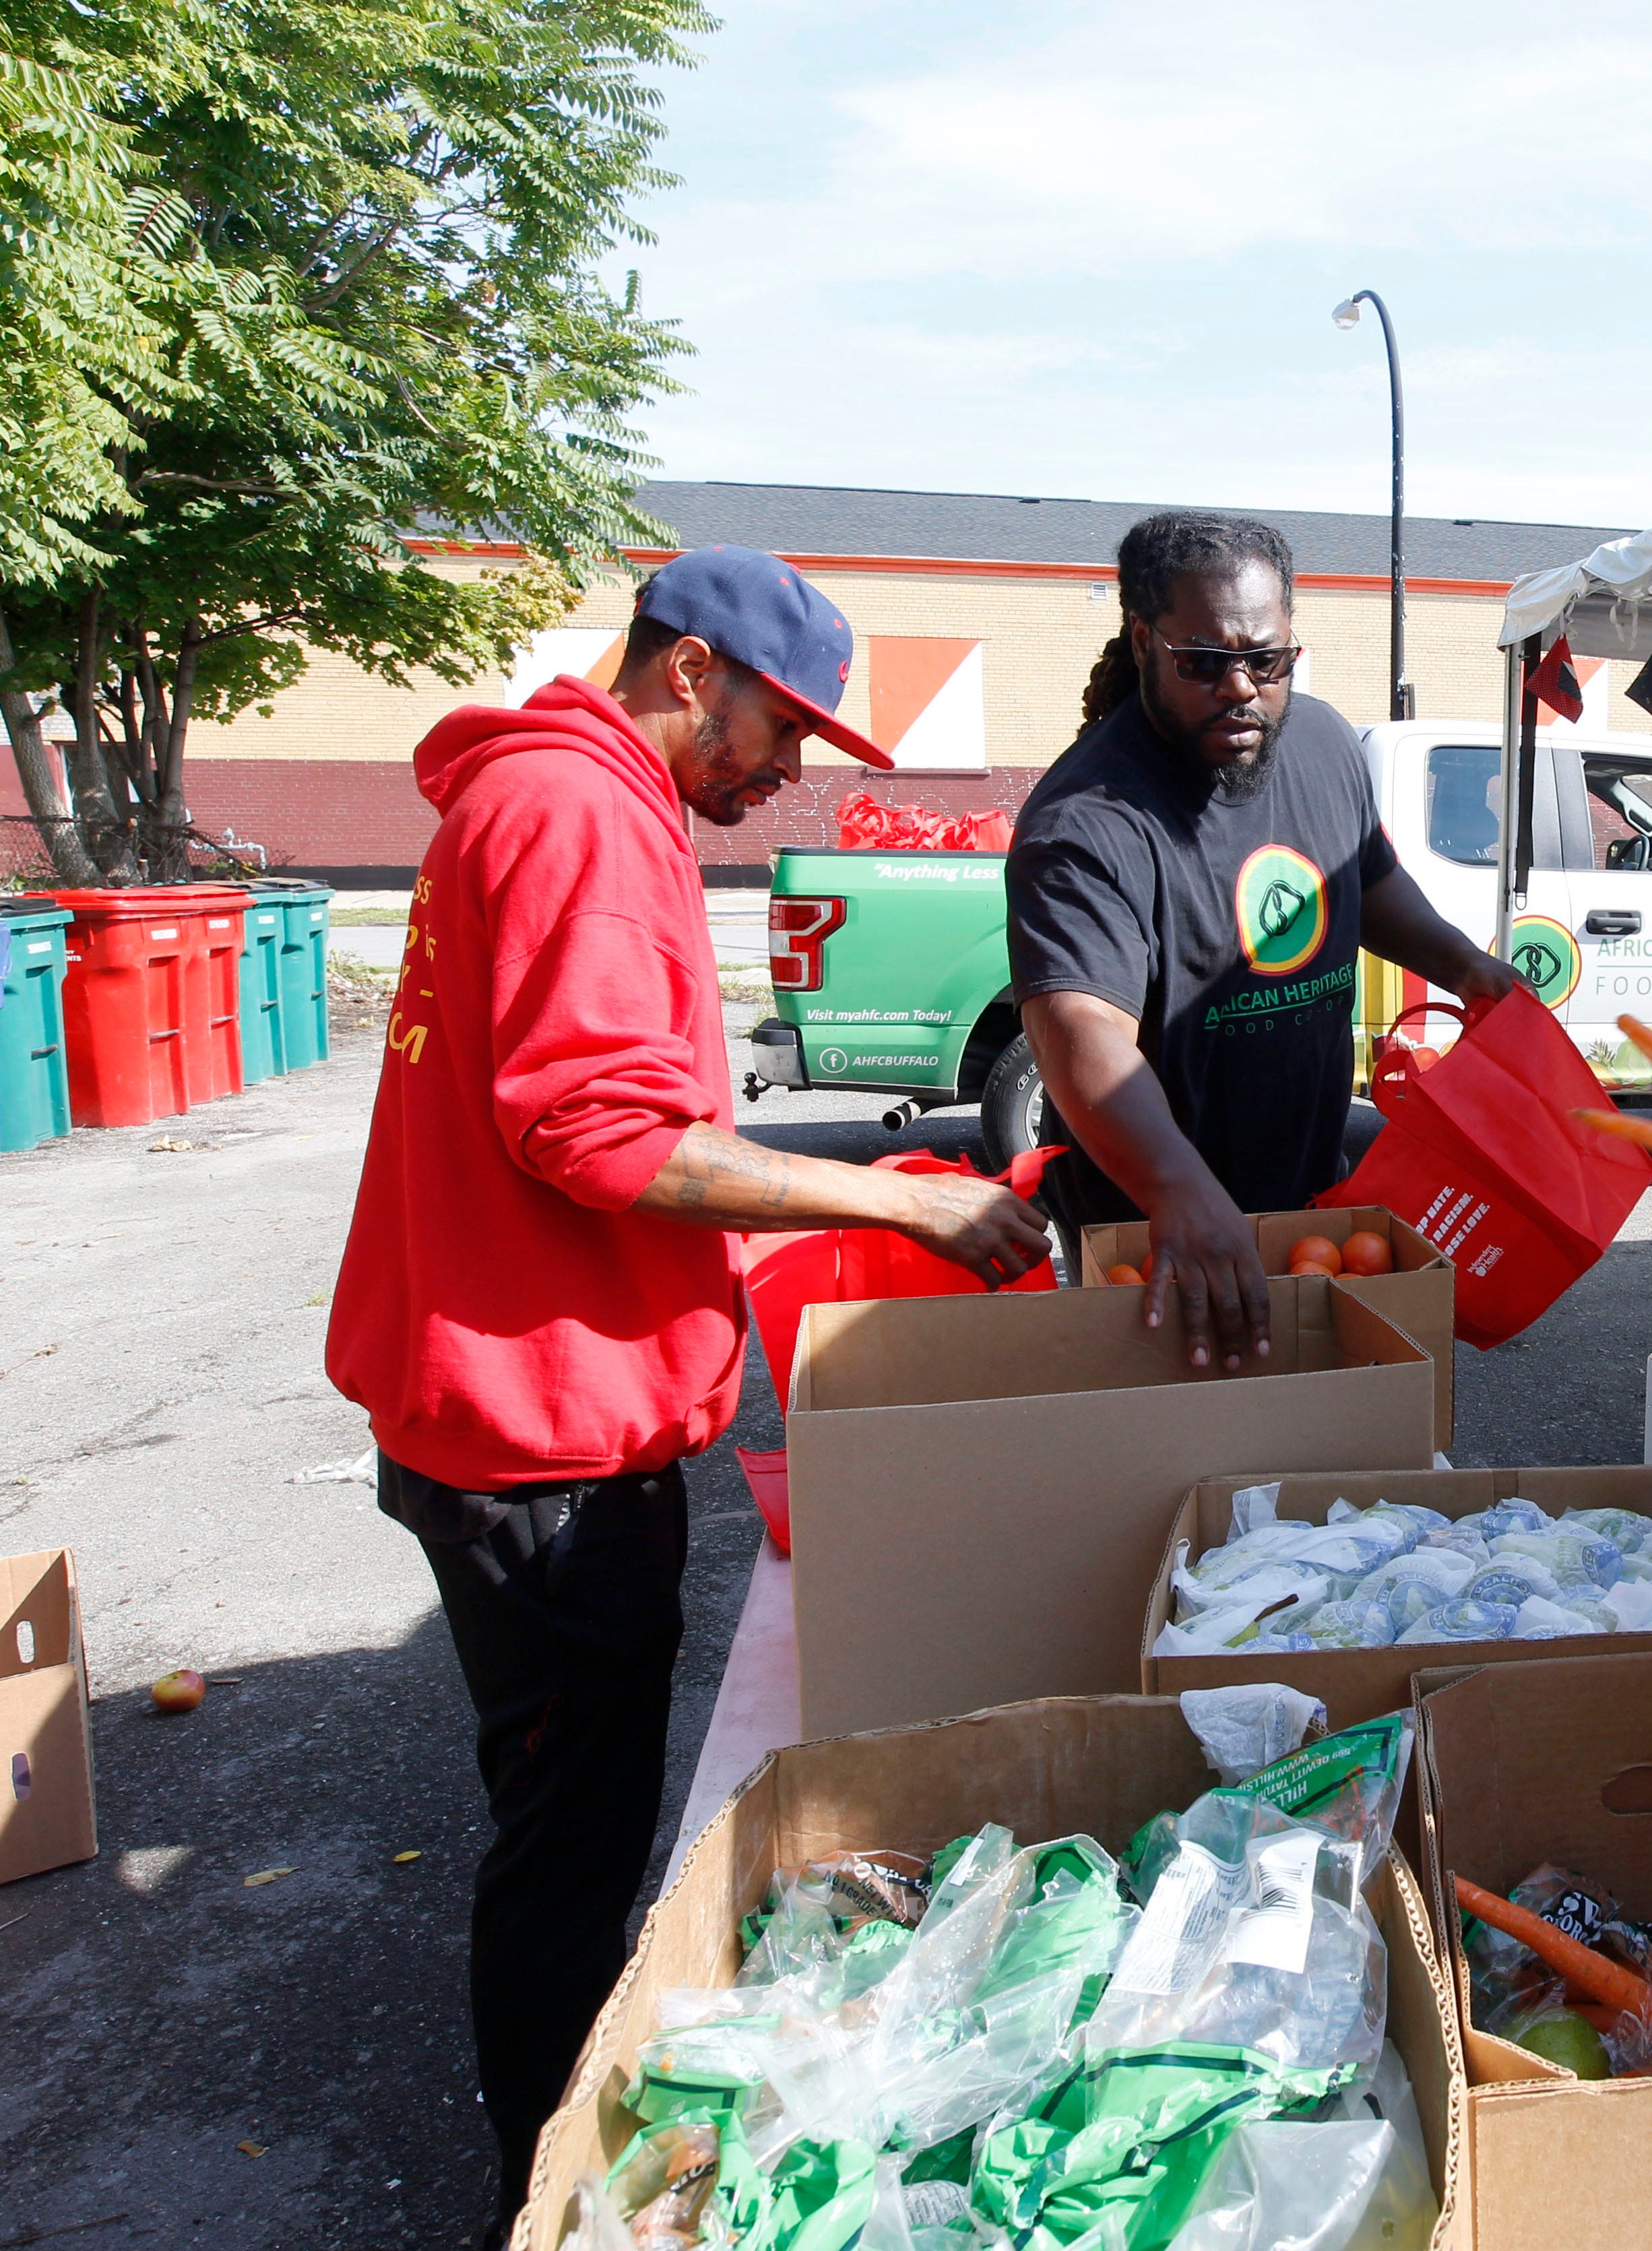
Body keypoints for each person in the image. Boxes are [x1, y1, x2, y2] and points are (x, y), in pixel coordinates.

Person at [325, 545, 1051, 2240]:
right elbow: (597, 1135)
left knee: (559, 1820)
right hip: (540, 1435)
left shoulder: (542, 797)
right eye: (777, 727)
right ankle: (547, 2185)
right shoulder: (580, 817)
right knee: (571, 1859)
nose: (788, 768)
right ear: (688, 670)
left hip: (499, 1395)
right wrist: (900, 1194)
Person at [1005, 510, 1516, 1372]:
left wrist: (1465, 967)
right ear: (1143, 643)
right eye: (1204, 661)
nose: (1241, 686)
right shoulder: (1084, 824)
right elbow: (1080, 1035)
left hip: (1311, 1198)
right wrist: (1179, 1190)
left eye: (1266, 659)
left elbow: (1367, 880)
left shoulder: (1319, 741)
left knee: (1322, 1469)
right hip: (1151, 1228)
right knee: (1176, 1471)